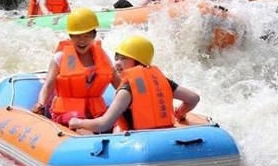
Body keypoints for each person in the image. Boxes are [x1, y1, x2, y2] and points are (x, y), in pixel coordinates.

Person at [68, 35, 200, 133]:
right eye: (117, 58)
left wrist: (78, 122)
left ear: (138, 62)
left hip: (136, 143)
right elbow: (193, 98)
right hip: (166, 136)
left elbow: (103, 124)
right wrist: (179, 114)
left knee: (116, 126)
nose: (118, 63)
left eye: (124, 58)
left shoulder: (126, 90)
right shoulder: (163, 81)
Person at [31, 7, 121, 126]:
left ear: (94, 36)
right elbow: (48, 85)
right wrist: (41, 104)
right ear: (71, 36)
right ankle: (89, 140)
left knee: (118, 119)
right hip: (67, 113)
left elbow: (117, 82)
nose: (82, 41)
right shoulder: (60, 57)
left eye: (87, 36)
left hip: (94, 111)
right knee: (78, 121)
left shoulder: (102, 55)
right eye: (77, 36)